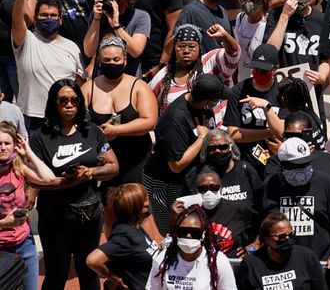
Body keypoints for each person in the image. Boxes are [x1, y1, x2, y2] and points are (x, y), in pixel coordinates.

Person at [31, 79, 120, 290]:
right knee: (57, 273)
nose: (69, 105)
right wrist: (70, 181)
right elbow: (38, 180)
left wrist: (90, 172)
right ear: (53, 103)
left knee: (88, 271)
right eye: (63, 100)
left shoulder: (93, 132)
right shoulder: (40, 137)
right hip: (54, 216)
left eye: (74, 100)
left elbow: (113, 166)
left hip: (88, 214)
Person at [143, 73, 223, 235]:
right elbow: (176, 166)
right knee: (172, 231)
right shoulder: (175, 119)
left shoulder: (198, 106)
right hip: (165, 183)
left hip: (186, 179)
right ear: (207, 102)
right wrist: (202, 138)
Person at [12, 0, 85, 131]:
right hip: (32, 118)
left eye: (53, 16)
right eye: (44, 15)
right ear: (35, 18)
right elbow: (17, 19)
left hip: (64, 119)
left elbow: (80, 85)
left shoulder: (72, 47)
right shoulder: (26, 40)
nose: (48, 19)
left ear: (60, 20)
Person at [262, 138, 330, 266]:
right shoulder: (270, 186)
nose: (301, 169)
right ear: (282, 164)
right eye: (295, 165)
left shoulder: (325, 183)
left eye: (305, 163)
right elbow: (262, 221)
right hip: (282, 264)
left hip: (320, 262)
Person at [82, 37, 157, 186]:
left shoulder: (139, 86)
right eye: (107, 60)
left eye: (116, 59)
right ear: (100, 61)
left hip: (135, 160)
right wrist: (96, 132)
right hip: (100, 162)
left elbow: (149, 121)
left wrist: (116, 130)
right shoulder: (88, 88)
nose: (111, 64)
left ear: (125, 59)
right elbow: (76, 121)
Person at [0, 121, 56, 290]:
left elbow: (49, 179)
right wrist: (4, 223)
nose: (3, 147)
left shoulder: (19, 168)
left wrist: (28, 152)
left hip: (25, 244)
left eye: (7, 143)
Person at [150, 23, 239, 117]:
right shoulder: (163, 76)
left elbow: (233, 54)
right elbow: (149, 105)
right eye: (181, 46)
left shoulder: (210, 61)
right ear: (174, 49)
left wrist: (224, 35)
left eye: (192, 46)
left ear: (199, 48)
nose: (186, 51)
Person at [86, 183, 159, 290]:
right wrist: (113, 277)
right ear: (138, 208)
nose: (149, 204)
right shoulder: (124, 236)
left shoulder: (135, 226)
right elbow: (92, 260)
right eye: (146, 201)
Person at [177, 164, 259, 258]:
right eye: (203, 189)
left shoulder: (238, 209)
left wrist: (254, 243)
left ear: (221, 189)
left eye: (213, 188)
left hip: (231, 265)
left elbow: (262, 223)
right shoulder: (190, 214)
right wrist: (175, 216)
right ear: (196, 191)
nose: (209, 193)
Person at [147, 204, 236, 290]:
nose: (188, 236)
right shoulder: (163, 259)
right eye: (183, 231)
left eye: (194, 232)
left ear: (203, 234)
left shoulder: (218, 261)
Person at [235, 211, 327, 290]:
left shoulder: (306, 257)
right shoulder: (251, 264)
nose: (287, 239)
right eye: (281, 236)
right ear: (266, 239)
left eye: (290, 234)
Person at [84, 0, 151, 76]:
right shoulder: (98, 15)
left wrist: (116, 25)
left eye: (117, 0)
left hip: (129, 81)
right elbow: (89, 51)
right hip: (102, 79)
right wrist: (96, 19)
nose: (112, 3)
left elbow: (136, 51)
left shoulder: (141, 17)